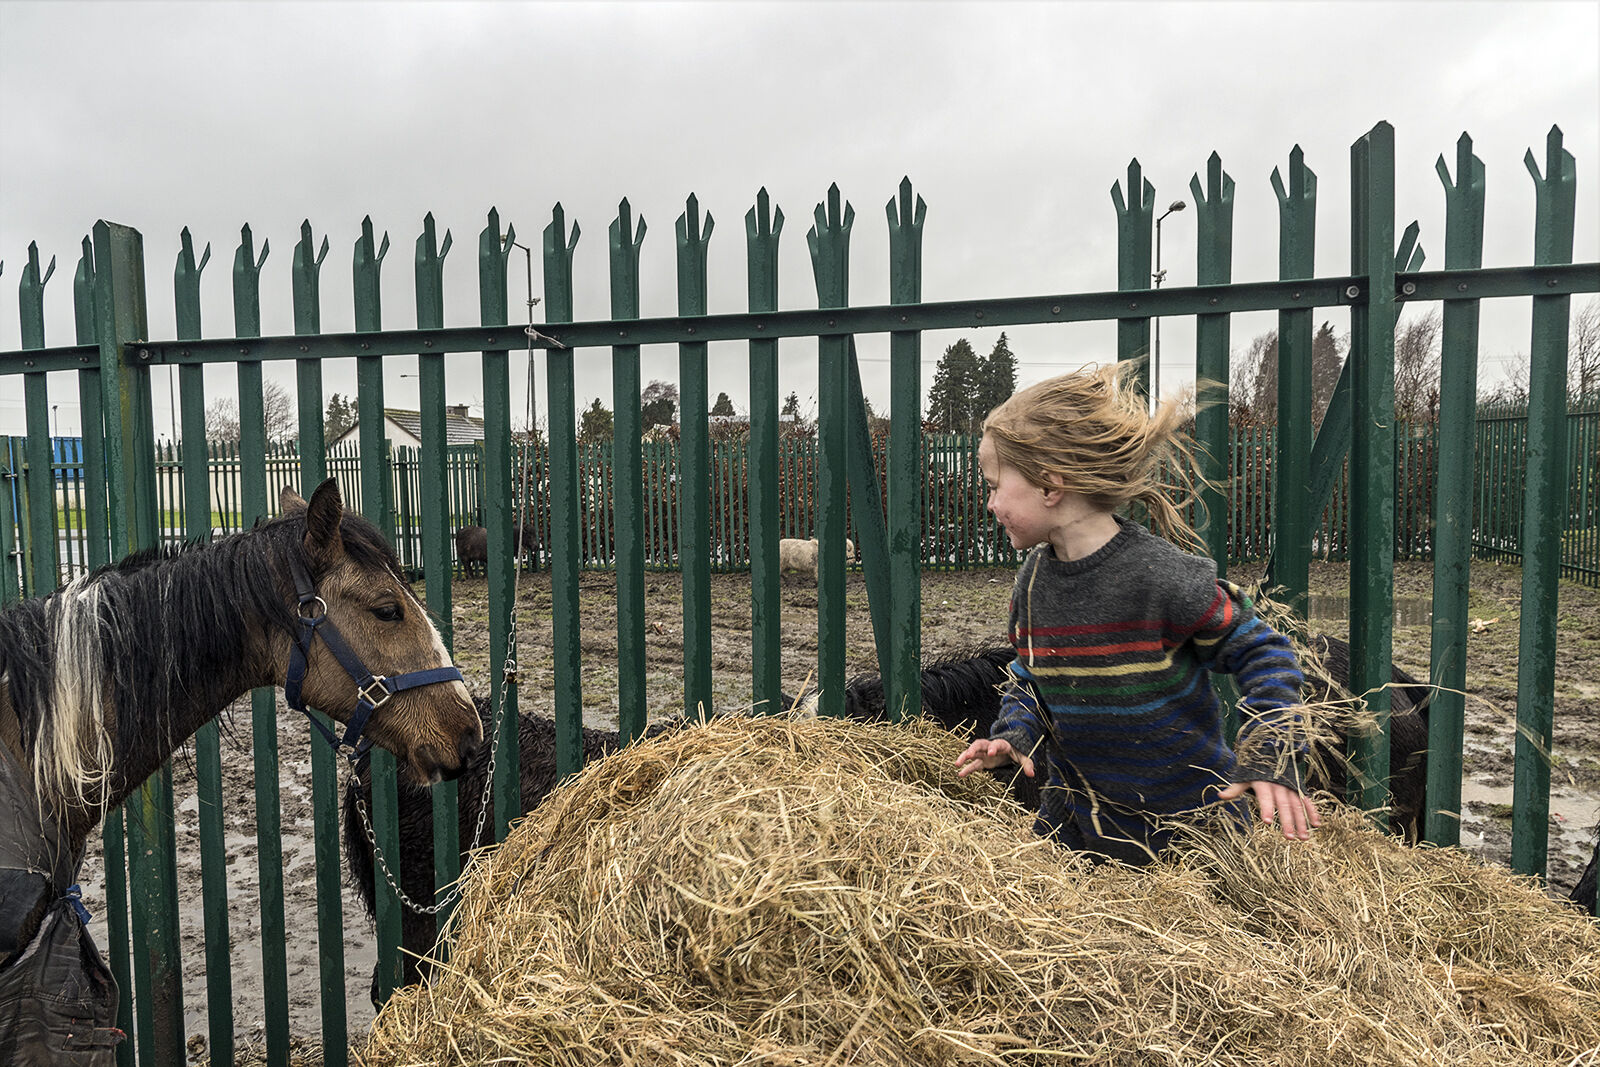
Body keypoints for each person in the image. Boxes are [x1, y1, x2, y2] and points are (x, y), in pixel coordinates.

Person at [954, 363, 1319, 864]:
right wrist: (1014, 733)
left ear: (1050, 484)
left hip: (1191, 841)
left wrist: (1270, 751)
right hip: (1077, 836)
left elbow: (1265, 652)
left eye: (995, 485)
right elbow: (1032, 676)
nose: (990, 503)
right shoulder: (1033, 582)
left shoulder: (1163, 577)